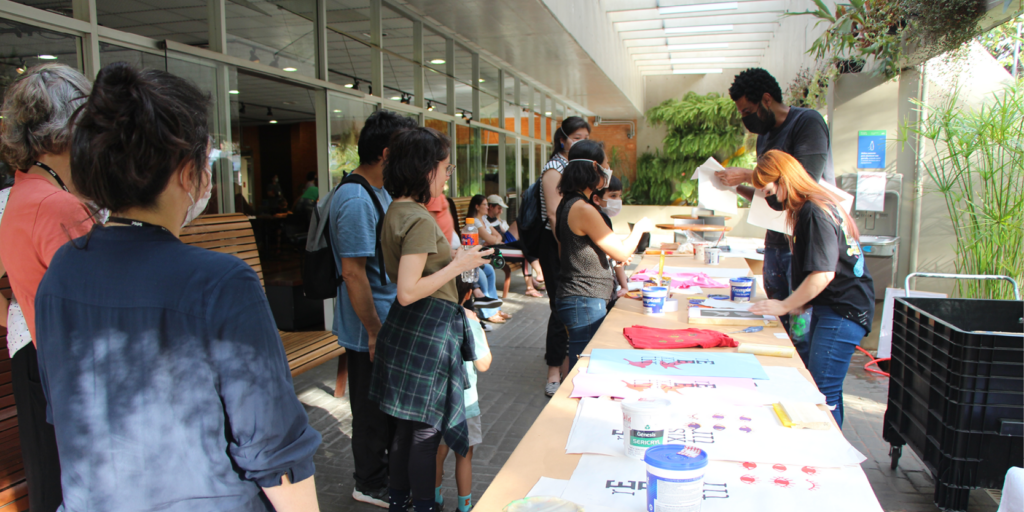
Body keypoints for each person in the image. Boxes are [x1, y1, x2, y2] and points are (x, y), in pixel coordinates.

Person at [34, 62, 322, 511]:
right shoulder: (221, 282)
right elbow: (274, 449)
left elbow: (65, 413)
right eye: (205, 160)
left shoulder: (62, 272)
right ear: (187, 172)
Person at [371, 127, 492, 512]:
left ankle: (402, 502)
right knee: (425, 432)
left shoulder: (395, 210)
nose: (447, 174)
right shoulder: (419, 219)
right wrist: (460, 263)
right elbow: (408, 288)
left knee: (407, 430)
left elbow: (401, 286)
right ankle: (424, 505)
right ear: (425, 170)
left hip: (407, 328)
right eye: (445, 166)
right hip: (428, 328)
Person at [0, 63, 95, 512]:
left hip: (40, 357)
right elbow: (100, 304)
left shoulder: (22, 193)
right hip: (74, 367)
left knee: (51, 485)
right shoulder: (59, 205)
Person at [329, 110, 418, 508]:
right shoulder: (354, 197)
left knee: (386, 405)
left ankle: (383, 474)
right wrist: (373, 330)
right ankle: (368, 481)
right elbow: (353, 273)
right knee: (369, 408)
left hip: (386, 319)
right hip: (370, 325)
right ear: (386, 153)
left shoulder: (381, 191)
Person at [748, 150, 874, 427]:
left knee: (821, 391)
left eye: (771, 191)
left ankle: (833, 458)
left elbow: (823, 273)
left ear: (785, 180)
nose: (773, 199)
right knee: (827, 387)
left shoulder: (814, 211)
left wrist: (785, 304)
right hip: (837, 306)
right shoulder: (817, 204)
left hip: (844, 310)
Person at [716, 67, 834, 334]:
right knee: (775, 322)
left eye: (747, 111)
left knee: (800, 326)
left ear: (766, 100)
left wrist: (749, 174)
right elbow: (767, 191)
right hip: (776, 239)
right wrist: (733, 187)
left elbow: (802, 181)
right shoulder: (765, 137)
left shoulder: (807, 123)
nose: (745, 119)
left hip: (803, 242)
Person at [554, 140, 652, 365]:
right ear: (595, 167)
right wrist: (639, 228)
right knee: (585, 363)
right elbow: (621, 253)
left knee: (580, 359)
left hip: (579, 297)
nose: (610, 171)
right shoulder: (582, 208)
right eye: (607, 165)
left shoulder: (569, 203)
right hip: (584, 298)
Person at [539, 116, 591, 397]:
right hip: (556, 243)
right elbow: (553, 215)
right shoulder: (554, 169)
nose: (580, 142)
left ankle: (568, 365)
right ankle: (553, 370)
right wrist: (565, 250)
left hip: (568, 242)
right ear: (563, 139)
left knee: (568, 305)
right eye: (576, 137)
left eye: (586, 137)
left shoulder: (573, 167)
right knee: (560, 306)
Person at [434, 308, 492, 512]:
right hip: (465, 403)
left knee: (436, 455)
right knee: (465, 456)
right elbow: (483, 364)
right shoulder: (468, 322)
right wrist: (478, 327)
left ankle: (434, 500)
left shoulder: (430, 315)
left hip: (436, 402)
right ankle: (464, 506)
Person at [485, 195, 543, 298]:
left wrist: (499, 237)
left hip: (502, 243)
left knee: (525, 244)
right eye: (498, 208)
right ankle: (532, 283)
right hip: (496, 247)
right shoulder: (482, 221)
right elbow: (492, 239)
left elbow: (500, 235)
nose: (501, 211)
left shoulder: (492, 220)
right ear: (490, 206)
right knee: (526, 249)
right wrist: (498, 240)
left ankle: (536, 276)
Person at [466, 194, 509, 324]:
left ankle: (495, 309)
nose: (487, 207)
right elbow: (492, 239)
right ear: (477, 206)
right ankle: (486, 313)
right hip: (475, 255)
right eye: (484, 204)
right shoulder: (474, 221)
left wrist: (492, 240)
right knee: (482, 275)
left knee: (489, 270)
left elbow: (499, 237)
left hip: (483, 254)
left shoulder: (484, 219)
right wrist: (492, 240)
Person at [590, 175, 629, 305]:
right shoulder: (596, 219)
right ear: (596, 198)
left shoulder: (605, 219)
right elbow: (619, 254)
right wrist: (639, 229)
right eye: (613, 196)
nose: (618, 201)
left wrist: (624, 286)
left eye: (619, 196)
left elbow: (615, 257)